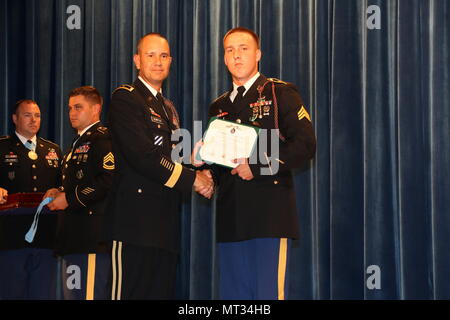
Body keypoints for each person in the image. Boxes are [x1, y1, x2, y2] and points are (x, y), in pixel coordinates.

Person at [204, 27, 316, 300]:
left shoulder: (280, 93)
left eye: (243, 48)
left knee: (268, 295)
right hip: (231, 218)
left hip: (269, 215)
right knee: (233, 297)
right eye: (229, 50)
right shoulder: (218, 106)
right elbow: (221, 164)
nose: (236, 56)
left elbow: (305, 145)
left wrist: (257, 166)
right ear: (224, 58)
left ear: (258, 54)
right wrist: (206, 174)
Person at [107, 33, 213, 300]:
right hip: (134, 223)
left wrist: (196, 160)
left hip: (165, 224)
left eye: (163, 56)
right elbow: (143, 156)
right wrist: (193, 180)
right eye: (150, 55)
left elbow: (174, 157)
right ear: (136, 60)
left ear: (171, 61)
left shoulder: (168, 109)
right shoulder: (126, 98)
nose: (157, 61)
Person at [44, 86, 114, 300]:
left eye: (78, 107)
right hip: (73, 238)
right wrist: (59, 191)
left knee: (90, 295)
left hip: (92, 237)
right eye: (69, 108)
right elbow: (79, 181)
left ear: (96, 109)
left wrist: (70, 198)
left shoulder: (103, 139)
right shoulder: (77, 143)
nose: (72, 113)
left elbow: (108, 181)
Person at [0, 99, 62, 299]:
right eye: (27, 115)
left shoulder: (52, 150)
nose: (34, 120)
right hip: (10, 237)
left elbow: (64, 187)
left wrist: (58, 190)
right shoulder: (2, 147)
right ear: (15, 119)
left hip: (46, 238)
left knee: (44, 293)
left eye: (37, 115)